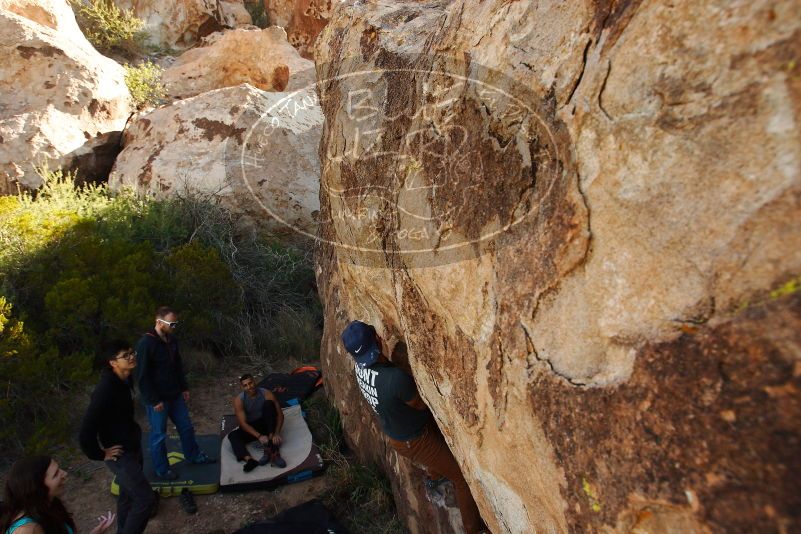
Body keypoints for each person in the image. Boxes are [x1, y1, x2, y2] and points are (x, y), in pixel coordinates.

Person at [341, 321, 489, 534]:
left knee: (436, 458)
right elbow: (421, 405)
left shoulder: (360, 370)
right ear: (378, 339)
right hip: (415, 439)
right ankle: (473, 529)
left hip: (399, 433)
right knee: (460, 478)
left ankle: (436, 479)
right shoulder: (395, 379)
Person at [78, 341, 155, 534]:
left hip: (132, 445)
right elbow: (85, 430)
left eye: (132, 353)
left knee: (127, 496)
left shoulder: (125, 379)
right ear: (113, 362)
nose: (132, 357)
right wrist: (99, 453)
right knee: (145, 499)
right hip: (120, 454)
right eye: (126, 355)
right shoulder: (105, 390)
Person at [135, 306, 214, 480]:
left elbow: (177, 366)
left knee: (186, 427)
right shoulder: (146, 344)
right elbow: (142, 376)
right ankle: (162, 469)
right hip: (158, 399)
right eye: (171, 324)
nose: (174, 327)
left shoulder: (172, 340)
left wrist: (184, 387)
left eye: (176, 324)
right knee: (159, 435)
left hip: (175, 394)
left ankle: (194, 455)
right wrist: (154, 400)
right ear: (159, 322)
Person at [1, 455, 115, 534]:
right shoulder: (28, 530)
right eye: (55, 475)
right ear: (37, 487)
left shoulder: (49, 505)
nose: (64, 474)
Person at [227, 374, 287, 472]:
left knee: (268, 405)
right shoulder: (239, 400)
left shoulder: (266, 393)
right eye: (245, 385)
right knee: (233, 435)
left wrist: (276, 432)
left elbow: (280, 415)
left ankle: (272, 449)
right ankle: (249, 460)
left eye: (250, 383)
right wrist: (259, 436)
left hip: (268, 424)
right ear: (242, 387)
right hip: (253, 427)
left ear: (254, 382)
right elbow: (243, 424)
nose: (249, 387)